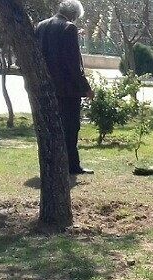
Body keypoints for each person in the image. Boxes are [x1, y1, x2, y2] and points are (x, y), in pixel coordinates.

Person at [35, 0, 94, 175]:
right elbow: (72, 63)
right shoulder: (68, 28)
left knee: (50, 128)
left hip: (45, 88)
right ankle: (72, 166)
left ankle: (53, 165)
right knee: (70, 128)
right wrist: (86, 87)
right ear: (74, 14)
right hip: (67, 90)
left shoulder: (41, 26)